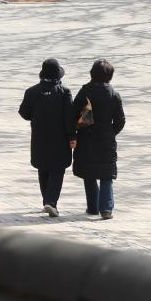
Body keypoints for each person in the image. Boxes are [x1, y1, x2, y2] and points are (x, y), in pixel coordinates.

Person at [18, 58, 76, 218]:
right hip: (60, 138)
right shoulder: (64, 92)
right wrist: (72, 136)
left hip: (40, 137)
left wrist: (37, 117)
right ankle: (51, 202)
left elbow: (24, 112)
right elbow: (69, 117)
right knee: (57, 169)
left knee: (43, 167)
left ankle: (47, 201)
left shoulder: (32, 91)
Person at [72, 59, 125, 220]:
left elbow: (73, 113)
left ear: (92, 74)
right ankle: (106, 209)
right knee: (106, 174)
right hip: (106, 139)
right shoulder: (114, 94)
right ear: (110, 76)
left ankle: (93, 207)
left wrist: (75, 131)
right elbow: (120, 120)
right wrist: (110, 132)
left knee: (89, 172)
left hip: (86, 137)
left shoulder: (85, 92)